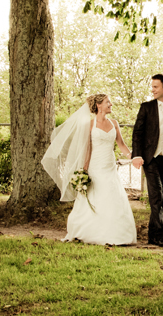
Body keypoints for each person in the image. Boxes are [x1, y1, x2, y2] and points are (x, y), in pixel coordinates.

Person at [41, 93, 138, 245]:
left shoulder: (114, 123)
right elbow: (87, 149)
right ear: (98, 105)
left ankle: (116, 234)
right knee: (95, 195)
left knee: (113, 196)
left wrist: (133, 156)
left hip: (110, 166)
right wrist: (84, 171)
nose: (110, 105)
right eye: (108, 102)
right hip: (95, 166)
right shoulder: (89, 125)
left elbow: (121, 145)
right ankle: (89, 232)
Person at [131, 74, 163, 247]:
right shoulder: (146, 107)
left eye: (156, 87)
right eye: (152, 86)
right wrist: (137, 155)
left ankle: (152, 235)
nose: (152, 90)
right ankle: (160, 235)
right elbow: (137, 133)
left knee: (162, 198)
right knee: (156, 196)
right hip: (151, 158)